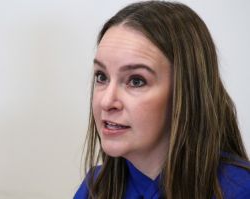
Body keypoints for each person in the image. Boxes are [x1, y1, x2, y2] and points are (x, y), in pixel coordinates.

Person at [74, 1, 250, 198]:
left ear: (187, 91)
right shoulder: (94, 188)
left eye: (136, 81)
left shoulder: (240, 189)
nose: (106, 102)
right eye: (101, 77)